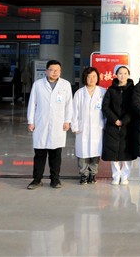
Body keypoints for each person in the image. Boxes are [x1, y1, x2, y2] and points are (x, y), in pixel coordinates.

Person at [26, 60, 73, 190]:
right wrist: (31, 121)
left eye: (57, 70)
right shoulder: (38, 85)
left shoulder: (65, 85)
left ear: (60, 71)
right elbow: (32, 103)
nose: (54, 72)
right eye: (52, 70)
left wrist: (67, 120)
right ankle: (36, 180)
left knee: (56, 155)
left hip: (58, 124)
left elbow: (69, 104)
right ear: (46, 71)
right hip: (41, 124)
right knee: (39, 155)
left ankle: (55, 179)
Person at [101, 64, 136, 185]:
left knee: (127, 153)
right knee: (113, 152)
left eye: (125, 73)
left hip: (128, 125)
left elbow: (134, 107)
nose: (122, 75)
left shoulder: (133, 90)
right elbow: (105, 107)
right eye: (120, 73)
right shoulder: (111, 90)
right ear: (116, 75)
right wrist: (114, 120)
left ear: (128, 75)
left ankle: (125, 176)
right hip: (113, 125)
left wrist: (124, 120)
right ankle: (116, 176)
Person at [72, 67, 106, 185]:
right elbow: (74, 111)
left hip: (98, 127)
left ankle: (93, 174)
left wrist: (106, 125)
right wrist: (75, 126)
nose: (91, 79)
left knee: (95, 152)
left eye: (94, 76)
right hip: (83, 127)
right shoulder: (79, 93)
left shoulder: (102, 92)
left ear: (97, 78)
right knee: (82, 152)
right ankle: (83, 174)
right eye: (89, 76)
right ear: (85, 78)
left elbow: (106, 110)